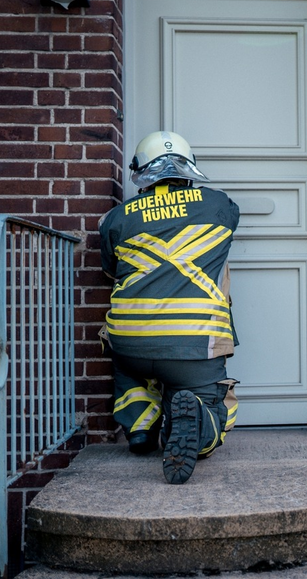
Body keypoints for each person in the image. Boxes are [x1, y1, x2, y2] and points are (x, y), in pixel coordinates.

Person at [98, 131, 240, 484]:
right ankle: (198, 420)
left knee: (129, 373)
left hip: (131, 341)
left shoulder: (115, 218)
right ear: (188, 169)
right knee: (210, 400)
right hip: (193, 343)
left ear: (140, 171)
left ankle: (141, 428)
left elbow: (110, 271)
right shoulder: (219, 205)